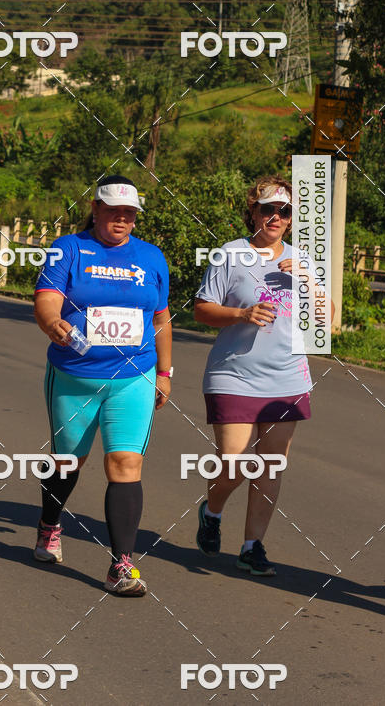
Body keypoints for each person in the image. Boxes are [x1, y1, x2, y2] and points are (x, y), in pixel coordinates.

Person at [33, 175, 172, 596]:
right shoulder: (68, 248)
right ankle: (49, 524)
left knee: (126, 463)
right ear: (95, 209)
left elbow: (161, 317)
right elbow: (46, 299)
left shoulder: (151, 257)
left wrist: (165, 372)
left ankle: (121, 565)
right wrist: (52, 322)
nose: (122, 219)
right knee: (67, 461)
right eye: (113, 211)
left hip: (133, 377)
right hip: (74, 376)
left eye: (129, 213)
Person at [194, 176, 333, 575]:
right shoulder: (230, 254)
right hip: (233, 375)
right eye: (268, 209)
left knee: (271, 464)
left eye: (284, 211)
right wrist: (241, 314)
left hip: (287, 377)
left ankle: (252, 546)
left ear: (291, 219)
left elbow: (326, 321)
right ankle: (212, 511)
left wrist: (306, 280)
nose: (275, 216)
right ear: (253, 212)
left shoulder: (303, 259)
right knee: (234, 463)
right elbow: (202, 309)